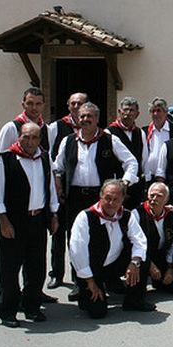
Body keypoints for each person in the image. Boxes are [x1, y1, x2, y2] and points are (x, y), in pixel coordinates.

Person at [53, 102, 139, 300]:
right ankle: (79, 281)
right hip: (75, 196)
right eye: (82, 116)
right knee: (75, 239)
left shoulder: (110, 139)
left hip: (102, 197)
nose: (85, 120)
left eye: (89, 116)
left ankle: (109, 278)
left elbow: (131, 162)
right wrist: (58, 183)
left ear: (97, 119)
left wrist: (125, 182)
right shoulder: (68, 141)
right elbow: (57, 166)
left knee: (107, 237)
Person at [0, 122, 59, 327]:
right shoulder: (6, 159)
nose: (30, 142)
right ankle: (7, 310)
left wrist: (53, 214)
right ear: (18, 137)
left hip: (37, 220)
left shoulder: (44, 158)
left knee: (36, 267)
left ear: (39, 140)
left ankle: (32, 307)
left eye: (34, 138)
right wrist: (3, 222)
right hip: (13, 222)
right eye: (25, 137)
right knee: (9, 268)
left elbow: (50, 189)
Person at [68, 180, 153, 318]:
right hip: (92, 270)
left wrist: (134, 262)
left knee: (142, 259)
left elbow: (140, 240)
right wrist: (90, 282)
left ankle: (134, 300)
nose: (111, 203)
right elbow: (77, 251)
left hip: (114, 263)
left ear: (122, 201)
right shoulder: (85, 217)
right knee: (97, 312)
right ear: (100, 196)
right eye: (107, 198)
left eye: (116, 200)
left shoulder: (126, 215)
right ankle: (86, 292)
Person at [46, 92, 87, 290]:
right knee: (58, 233)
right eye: (73, 103)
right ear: (68, 106)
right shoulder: (56, 127)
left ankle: (77, 275)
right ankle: (56, 273)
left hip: (78, 192)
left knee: (76, 236)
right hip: (60, 188)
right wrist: (56, 185)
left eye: (81, 103)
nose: (77, 106)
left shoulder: (91, 127)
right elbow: (52, 159)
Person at [131, 182, 173, 292]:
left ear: (166, 199)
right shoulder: (137, 214)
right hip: (142, 256)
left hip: (160, 255)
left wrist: (170, 268)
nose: (154, 199)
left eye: (159, 196)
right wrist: (150, 266)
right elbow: (133, 243)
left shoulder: (171, 216)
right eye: (152, 195)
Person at [107, 96, 148, 209]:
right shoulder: (109, 133)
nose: (128, 113)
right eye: (125, 110)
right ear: (119, 112)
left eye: (131, 110)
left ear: (137, 114)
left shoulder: (140, 133)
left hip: (136, 186)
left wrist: (146, 182)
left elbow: (144, 159)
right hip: (117, 185)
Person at [0, 87, 51, 160]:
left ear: (43, 106)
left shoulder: (48, 129)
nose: (34, 108)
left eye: (38, 104)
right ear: (23, 105)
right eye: (30, 103)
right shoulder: (11, 128)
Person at [145, 97, 173, 183]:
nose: (155, 114)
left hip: (169, 176)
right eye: (152, 111)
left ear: (166, 112)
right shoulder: (145, 131)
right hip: (150, 177)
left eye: (158, 111)